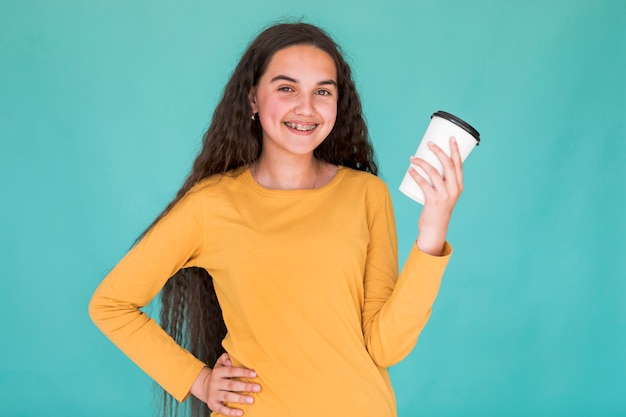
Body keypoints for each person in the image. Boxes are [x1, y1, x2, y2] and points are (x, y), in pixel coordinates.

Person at [89, 22, 464, 417]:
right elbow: (110, 304)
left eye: (323, 91)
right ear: (252, 98)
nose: (306, 107)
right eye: (287, 88)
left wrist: (432, 231)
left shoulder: (366, 195)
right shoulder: (211, 204)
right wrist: (198, 380)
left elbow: (386, 346)